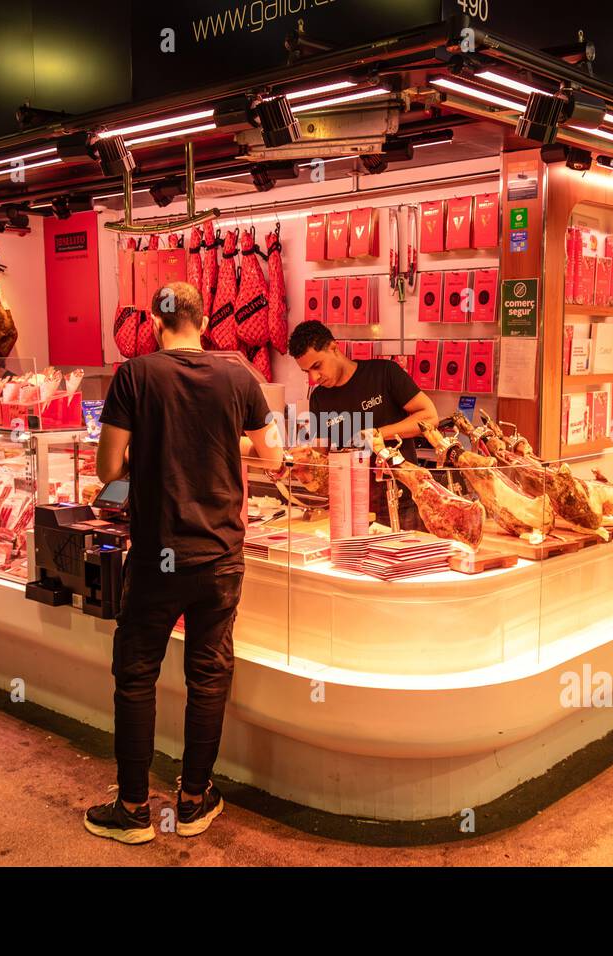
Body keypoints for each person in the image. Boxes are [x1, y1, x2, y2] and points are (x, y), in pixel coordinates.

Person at [87, 280, 283, 845]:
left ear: (155, 322)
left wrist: (147, 460)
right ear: (203, 322)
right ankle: (194, 800)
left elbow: (107, 469)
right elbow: (272, 453)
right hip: (221, 554)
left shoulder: (136, 374)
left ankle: (132, 810)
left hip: (157, 554)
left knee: (137, 674)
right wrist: (226, 442)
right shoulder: (239, 374)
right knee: (208, 673)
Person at [287, 319, 438, 525]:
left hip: (399, 503)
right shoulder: (318, 398)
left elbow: (429, 416)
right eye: (307, 372)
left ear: (333, 348)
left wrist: (376, 435)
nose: (314, 377)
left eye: (317, 366)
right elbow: (321, 456)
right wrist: (302, 462)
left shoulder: (385, 373)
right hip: (349, 506)